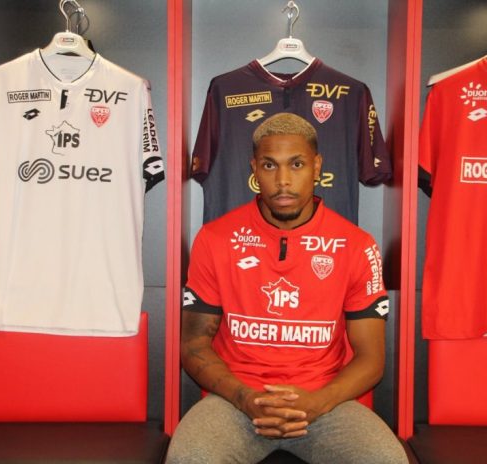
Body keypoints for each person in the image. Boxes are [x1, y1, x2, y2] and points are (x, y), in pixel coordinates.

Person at [166, 113, 408, 464]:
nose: (283, 181)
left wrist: (316, 403)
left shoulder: (356, 245)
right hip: (235, 402)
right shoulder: (215, 239)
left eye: (296, 164)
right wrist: (245, 398)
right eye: (269, 165)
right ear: (254, 169)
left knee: (387, 460)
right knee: (190, 458)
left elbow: (372, 359)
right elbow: (193, 345)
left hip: (326, 404)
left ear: (316, 166)